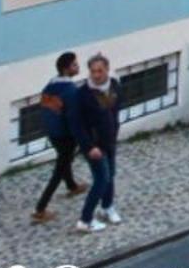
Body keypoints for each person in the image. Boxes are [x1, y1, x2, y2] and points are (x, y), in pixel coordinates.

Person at [32, 51, 88, 223]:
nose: (77, 66)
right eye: (74, 65)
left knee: (65, 160)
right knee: (60, 168)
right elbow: (73, 116)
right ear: (66, 69)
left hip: (51, 131)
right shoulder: (70, 90)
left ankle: (71, 185)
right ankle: (40, 208)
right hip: (64, 134)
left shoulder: (51, 85)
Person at [71, 53, 123, 233]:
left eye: (100, 71)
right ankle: (85, 219)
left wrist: (115, 131)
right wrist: (89, 146)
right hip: (93, 146)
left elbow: (115, 111)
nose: (96, 75)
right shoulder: (82, 94)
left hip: (109, 141)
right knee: (101, 179)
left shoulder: (114, 86)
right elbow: (76, 124)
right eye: (93, 71)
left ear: (107, 70)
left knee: (111, 175)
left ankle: (107, 207)